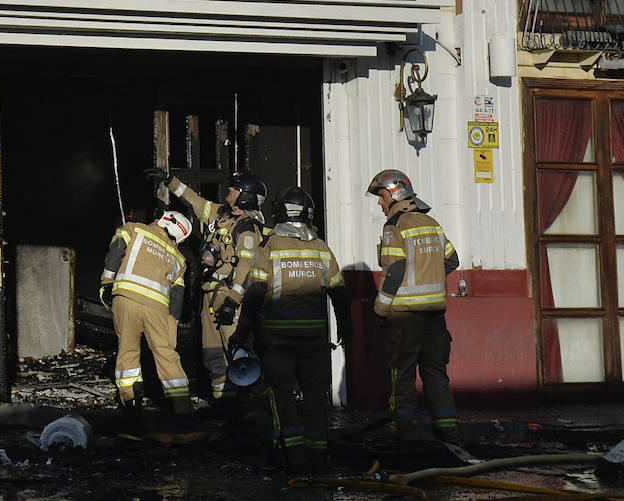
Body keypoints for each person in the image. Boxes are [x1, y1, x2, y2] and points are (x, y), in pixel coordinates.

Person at [230, 186, 351, 474]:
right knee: (314, 396)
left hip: (278, 339)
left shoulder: (270, 247)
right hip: (314, 340)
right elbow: (339, 293)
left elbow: (256, 292)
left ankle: (292, 456)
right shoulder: (322, 248)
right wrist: (347, 327)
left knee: (281, 394)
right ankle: (318, 457)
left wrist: (242, 331)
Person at [145, 167, 267, 414]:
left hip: (228, 298)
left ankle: (257, 408)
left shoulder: (247, 229)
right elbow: (193, 199)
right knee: (212, 354)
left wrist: (232, 301)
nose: (229, 190)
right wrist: (170, 180)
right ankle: (224, 403)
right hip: (209, 295)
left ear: (246, 196)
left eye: (235, 188)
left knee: (238, 353)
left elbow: (245, 267)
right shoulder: (220, 215)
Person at [366, 168, 460, 442]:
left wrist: (380, 310)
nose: (379, 203)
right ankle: (449, 434)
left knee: (402, 376)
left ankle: (402, 435)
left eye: (381, 196)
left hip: (405, 318)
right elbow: (452, 261)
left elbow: (395, 270)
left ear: (394, 193)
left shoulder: (394, 226)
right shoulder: (432, 223)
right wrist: (426, 275)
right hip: (435, 316)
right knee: (436, 374)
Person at [99, 207, 196, 434]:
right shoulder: (179, 258)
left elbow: (115, 252)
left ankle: (132, 411)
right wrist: (172, 323)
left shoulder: (133, 230)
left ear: (161, 220)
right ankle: (183, 414)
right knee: (167, 356)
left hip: (126, 300)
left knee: (128, 352)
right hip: (158, 310)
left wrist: (106, 283)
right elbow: (178, 296)